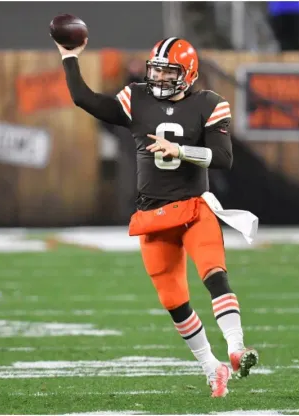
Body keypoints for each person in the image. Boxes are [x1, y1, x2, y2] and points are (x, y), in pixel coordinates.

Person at [56, 37, 258, 398]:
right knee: (174, 303)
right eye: (157, 69)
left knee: (214, 274)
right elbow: (84, 99)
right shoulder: (137, 97)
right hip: (153, 215)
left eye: (169, 70)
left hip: (195, 208)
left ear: (189, 73)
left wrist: (179, 150)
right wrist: (69, 57)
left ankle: (236, 347)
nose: (161, 77)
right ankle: (213, 368)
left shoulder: (209, 104)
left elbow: (223, 158)